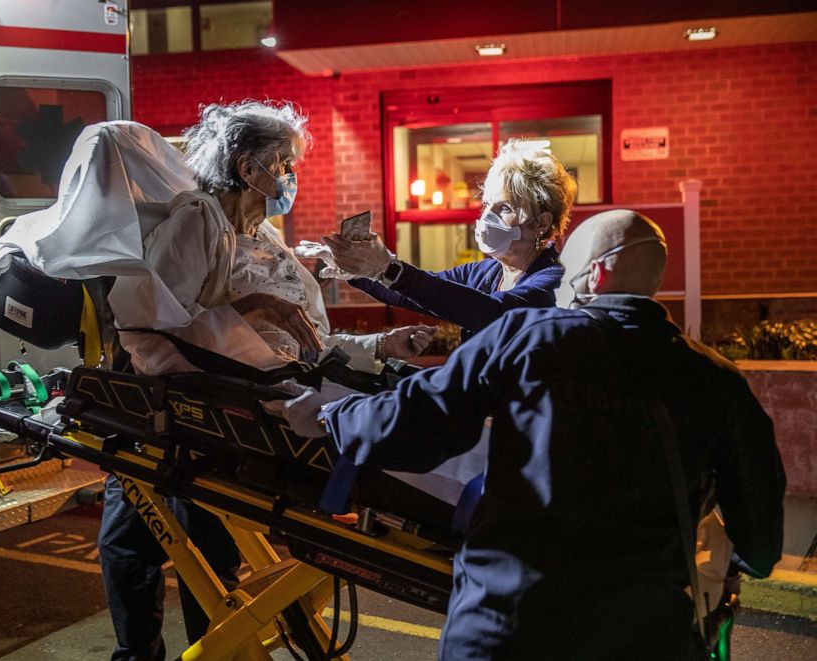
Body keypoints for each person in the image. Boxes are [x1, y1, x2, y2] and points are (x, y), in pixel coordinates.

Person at [280, 209, 786, 659]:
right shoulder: (716, 379)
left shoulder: (527, 338)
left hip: (511, 621)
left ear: (598, 272)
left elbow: (420, 421)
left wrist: (334, 417)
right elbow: (760, 540)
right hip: (646, 630)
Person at [100, 101, 432, 661]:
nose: (291, 177)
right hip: (202, 412)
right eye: (284, 163)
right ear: (246, 167)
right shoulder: (197, 221)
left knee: (186, 545)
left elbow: (304, 348)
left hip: (258, 403)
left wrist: (380, 347)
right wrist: (251, 309)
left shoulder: (268, 238)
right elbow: (150, 329)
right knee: (165, 544)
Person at [312, 140, 576, 340]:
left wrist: (387, 268)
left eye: (504, 208)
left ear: (541, 222)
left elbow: (492, 312)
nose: (487, 217)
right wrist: (359, 271)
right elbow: (417, 292)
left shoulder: (554, 279)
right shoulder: (486, 272)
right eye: (486, 205)